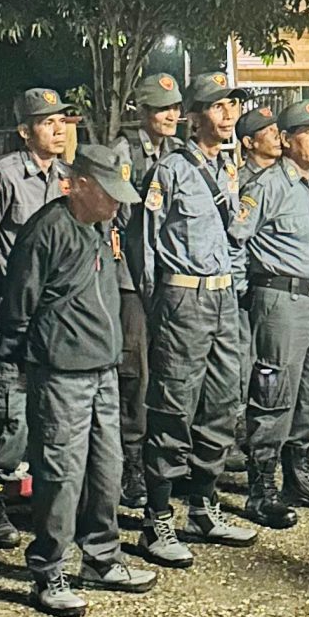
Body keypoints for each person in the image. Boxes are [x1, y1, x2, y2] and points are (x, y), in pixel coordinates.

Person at [0, 141, 160, 617]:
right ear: (80, 185)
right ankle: (49, 570)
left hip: (103, 371)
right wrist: (21, 362)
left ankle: (101, 557)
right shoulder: (48, 230)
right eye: (108, 194)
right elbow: (19, 306)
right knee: (60, 476)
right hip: (61, 375)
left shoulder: (101, 226)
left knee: (106, 470)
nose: (116, 204)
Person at [131, 69, 257, 564]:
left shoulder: (229, 168)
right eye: (218, 106)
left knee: (223, 401)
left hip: (223, 298)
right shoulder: (171, 170)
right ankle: (157, 519)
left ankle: (204, 506)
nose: (229, 115)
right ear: (195, 117)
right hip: (183, 299)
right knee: (174, 405)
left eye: (233, 105)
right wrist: (157, 304)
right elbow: (146, 244)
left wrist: (235, 285)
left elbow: (235, 237)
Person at [0, 87, 73, 548]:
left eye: (62, 121)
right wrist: (2, 293)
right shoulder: (4, 174)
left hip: (57, 317)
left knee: (54, 411)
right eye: (47, 122)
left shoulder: (66, 176)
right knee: (9, 411)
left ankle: (45, 503)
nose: (58, 129)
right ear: (25, 131)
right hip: (16, 314)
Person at [240, 101, 309, 527]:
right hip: (281, 300)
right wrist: (246, 293)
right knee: (274, 395)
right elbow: (237, 239)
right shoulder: (266, 186)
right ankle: (261, 489)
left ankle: (297, 477)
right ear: (286, 140)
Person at [114, 70, 184, 516]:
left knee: (168, 365)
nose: (170, 116)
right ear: (142, 112)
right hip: (131, 277)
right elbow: (120, 218)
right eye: (161, 109)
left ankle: (166, 454)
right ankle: (131, 461)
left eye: (175, 108)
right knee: (134, 371)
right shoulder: (125, 152)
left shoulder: (177, 153)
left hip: (167, 277)